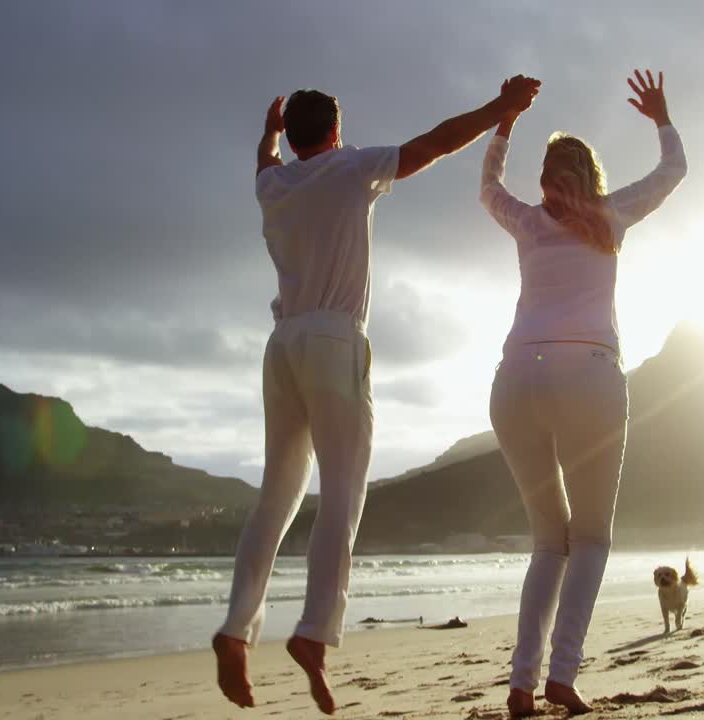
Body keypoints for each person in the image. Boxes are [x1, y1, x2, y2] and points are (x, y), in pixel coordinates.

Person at [212, 75, 542, 714]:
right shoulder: (352, 168)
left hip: (281, 346)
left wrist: (267, 134)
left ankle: (235, 627)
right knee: (342, 492)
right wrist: (502, 108)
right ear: (335, 132)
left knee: (275, 497)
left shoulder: (272, 186)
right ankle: (314, 632)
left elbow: (264, 161)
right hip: (335, 339)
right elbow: (436, 143)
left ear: (293, 137)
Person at [480, 69, 687, 717]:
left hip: (516, 378)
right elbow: (674, 170)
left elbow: (487, 187)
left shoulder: (526, 221)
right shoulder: (611, 215)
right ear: (591, 176)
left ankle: (521, 683)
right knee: (591, 538)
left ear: (545, 180)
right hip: (590, 376)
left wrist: (505, 123)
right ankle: (562, 675)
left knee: (550, 541)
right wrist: (661, 117)